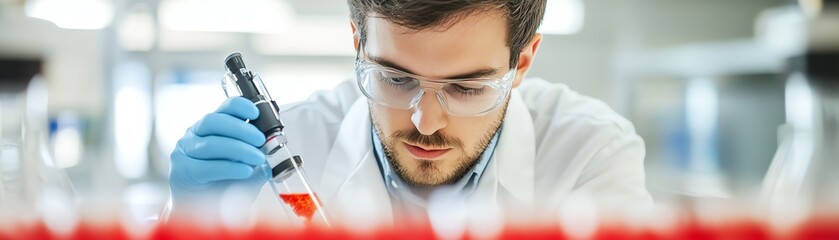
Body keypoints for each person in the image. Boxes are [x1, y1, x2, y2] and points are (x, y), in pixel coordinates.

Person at [167, 0, 652, 226]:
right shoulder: (290, 147)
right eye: (396, 79)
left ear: (521, 61)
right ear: (358, 45)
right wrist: (187, 221)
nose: (426, 121)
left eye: (466, 87)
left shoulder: (590, 156)